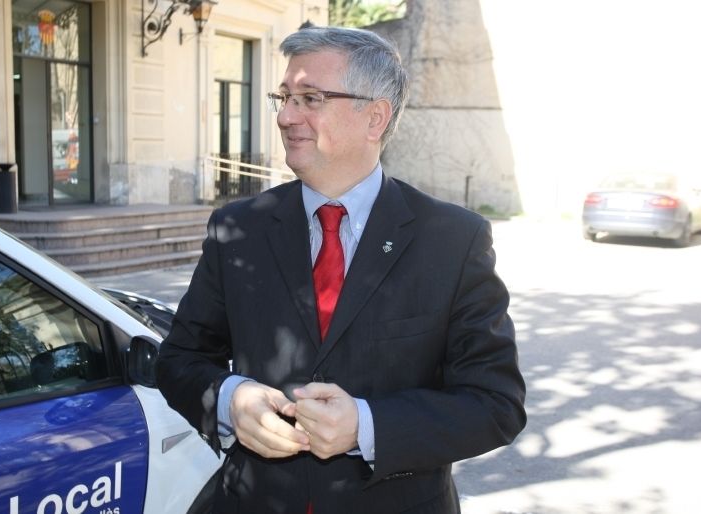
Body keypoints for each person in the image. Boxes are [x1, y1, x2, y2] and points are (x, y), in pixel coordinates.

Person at [157, 26, 526, 514]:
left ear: (375, 118)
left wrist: (367, 426)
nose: (287, 117)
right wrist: (230, 398)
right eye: (283, 97)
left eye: (310, 98)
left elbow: (495, 404)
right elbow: (179, 360)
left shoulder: (454, 240)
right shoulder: (236, 229)